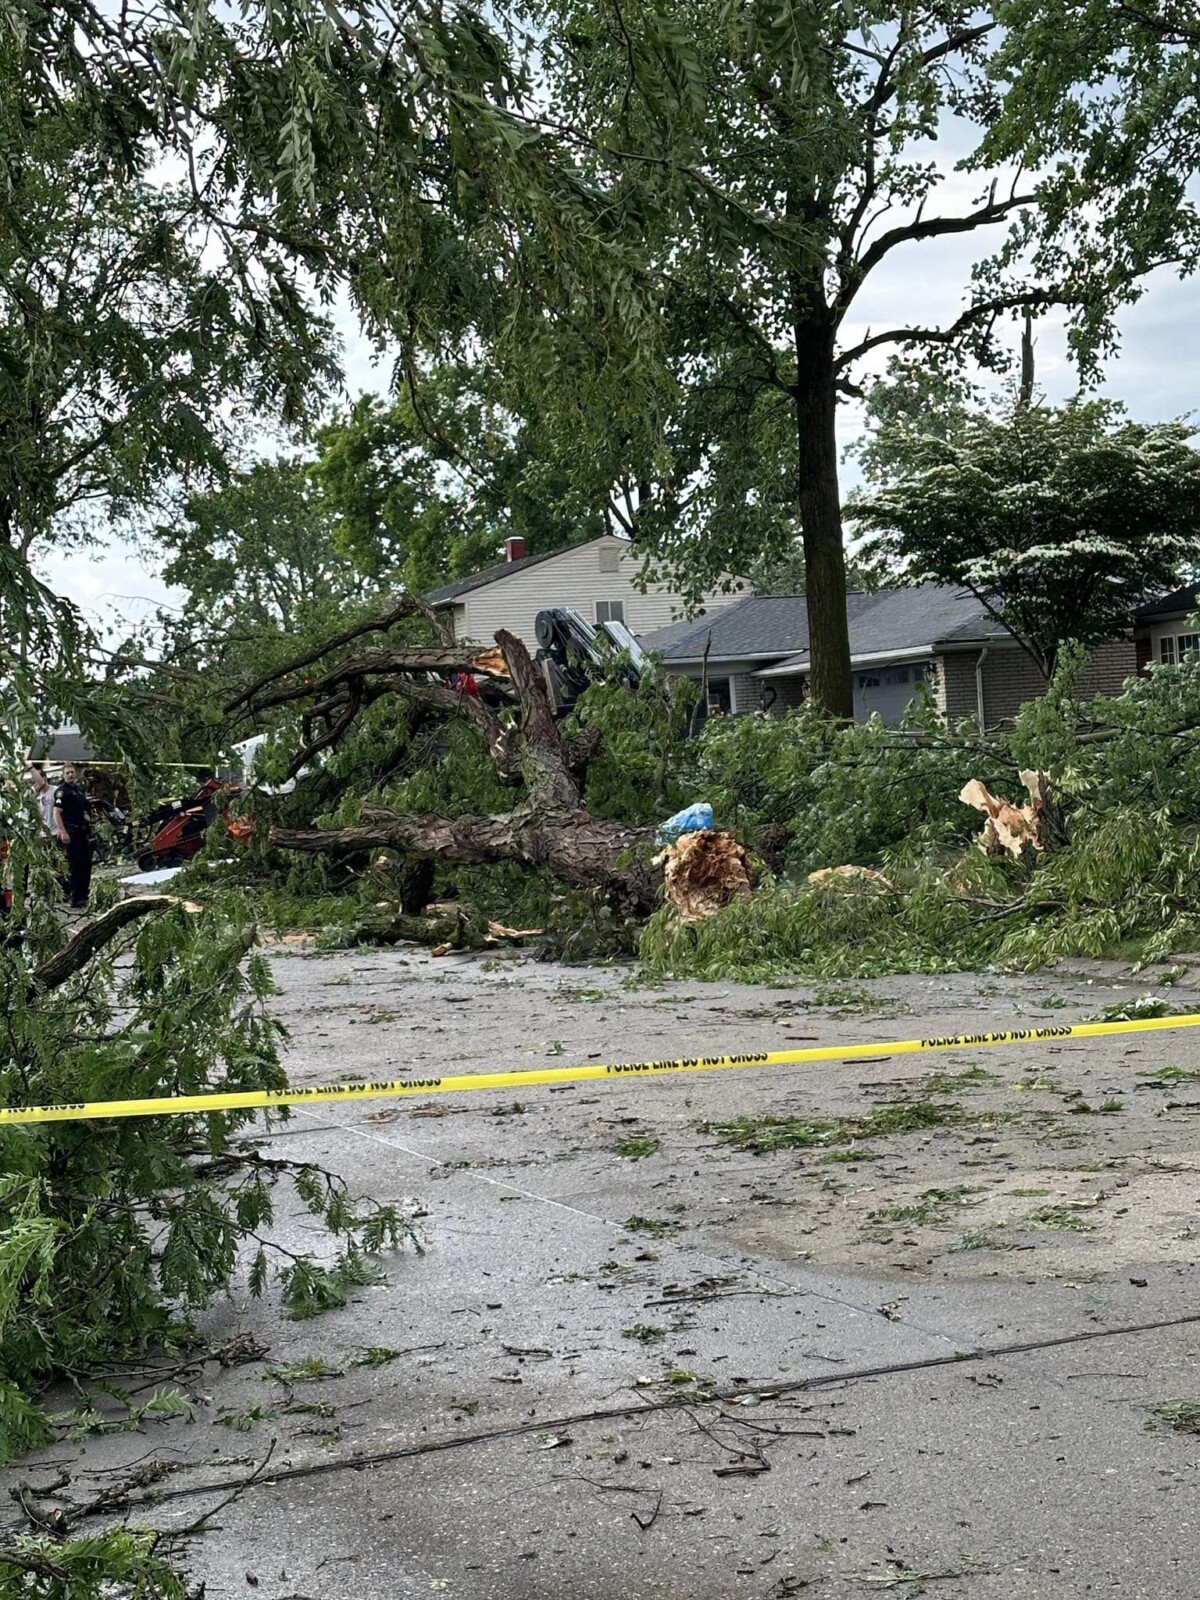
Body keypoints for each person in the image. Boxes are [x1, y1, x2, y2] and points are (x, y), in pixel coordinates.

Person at [52, 762, 93, 909]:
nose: (70, 775)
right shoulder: (62, 792)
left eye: (72, 772)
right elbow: (56, 812)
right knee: (75, 866)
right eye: (67, 772)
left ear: (76, 773)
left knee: (86, 865)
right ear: (63, 775)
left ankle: (84, 895)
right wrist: (62, 831)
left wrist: (86, 815)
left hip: (83, 832)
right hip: (72, 832)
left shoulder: (78, 791)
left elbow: (84, 808)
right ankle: (75, 898)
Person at [26, 764, 55, 832]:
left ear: (44, 778)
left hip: (57, 832)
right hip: (45, 833)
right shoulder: (35, 795)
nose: (34, 783)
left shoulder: (55, 791)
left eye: (35, 779)